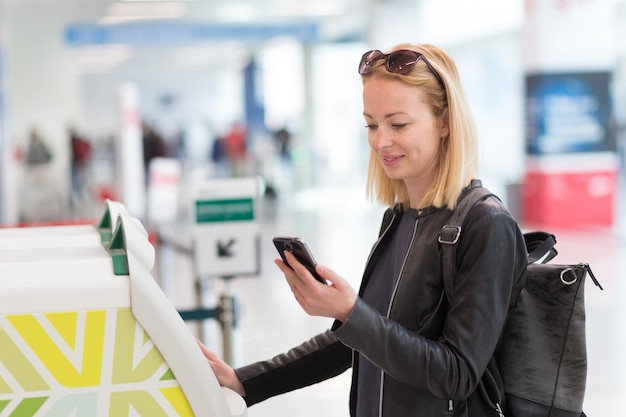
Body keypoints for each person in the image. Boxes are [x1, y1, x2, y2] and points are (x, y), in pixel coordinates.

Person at [197, 43, 528, 416]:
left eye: (398, 124)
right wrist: (245, 381)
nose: (380, 141)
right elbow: (355, 343)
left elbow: (457, 373)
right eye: (371, 124)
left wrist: (354, 313)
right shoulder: (399, 218)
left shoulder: (485, 225)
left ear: (445, 121)